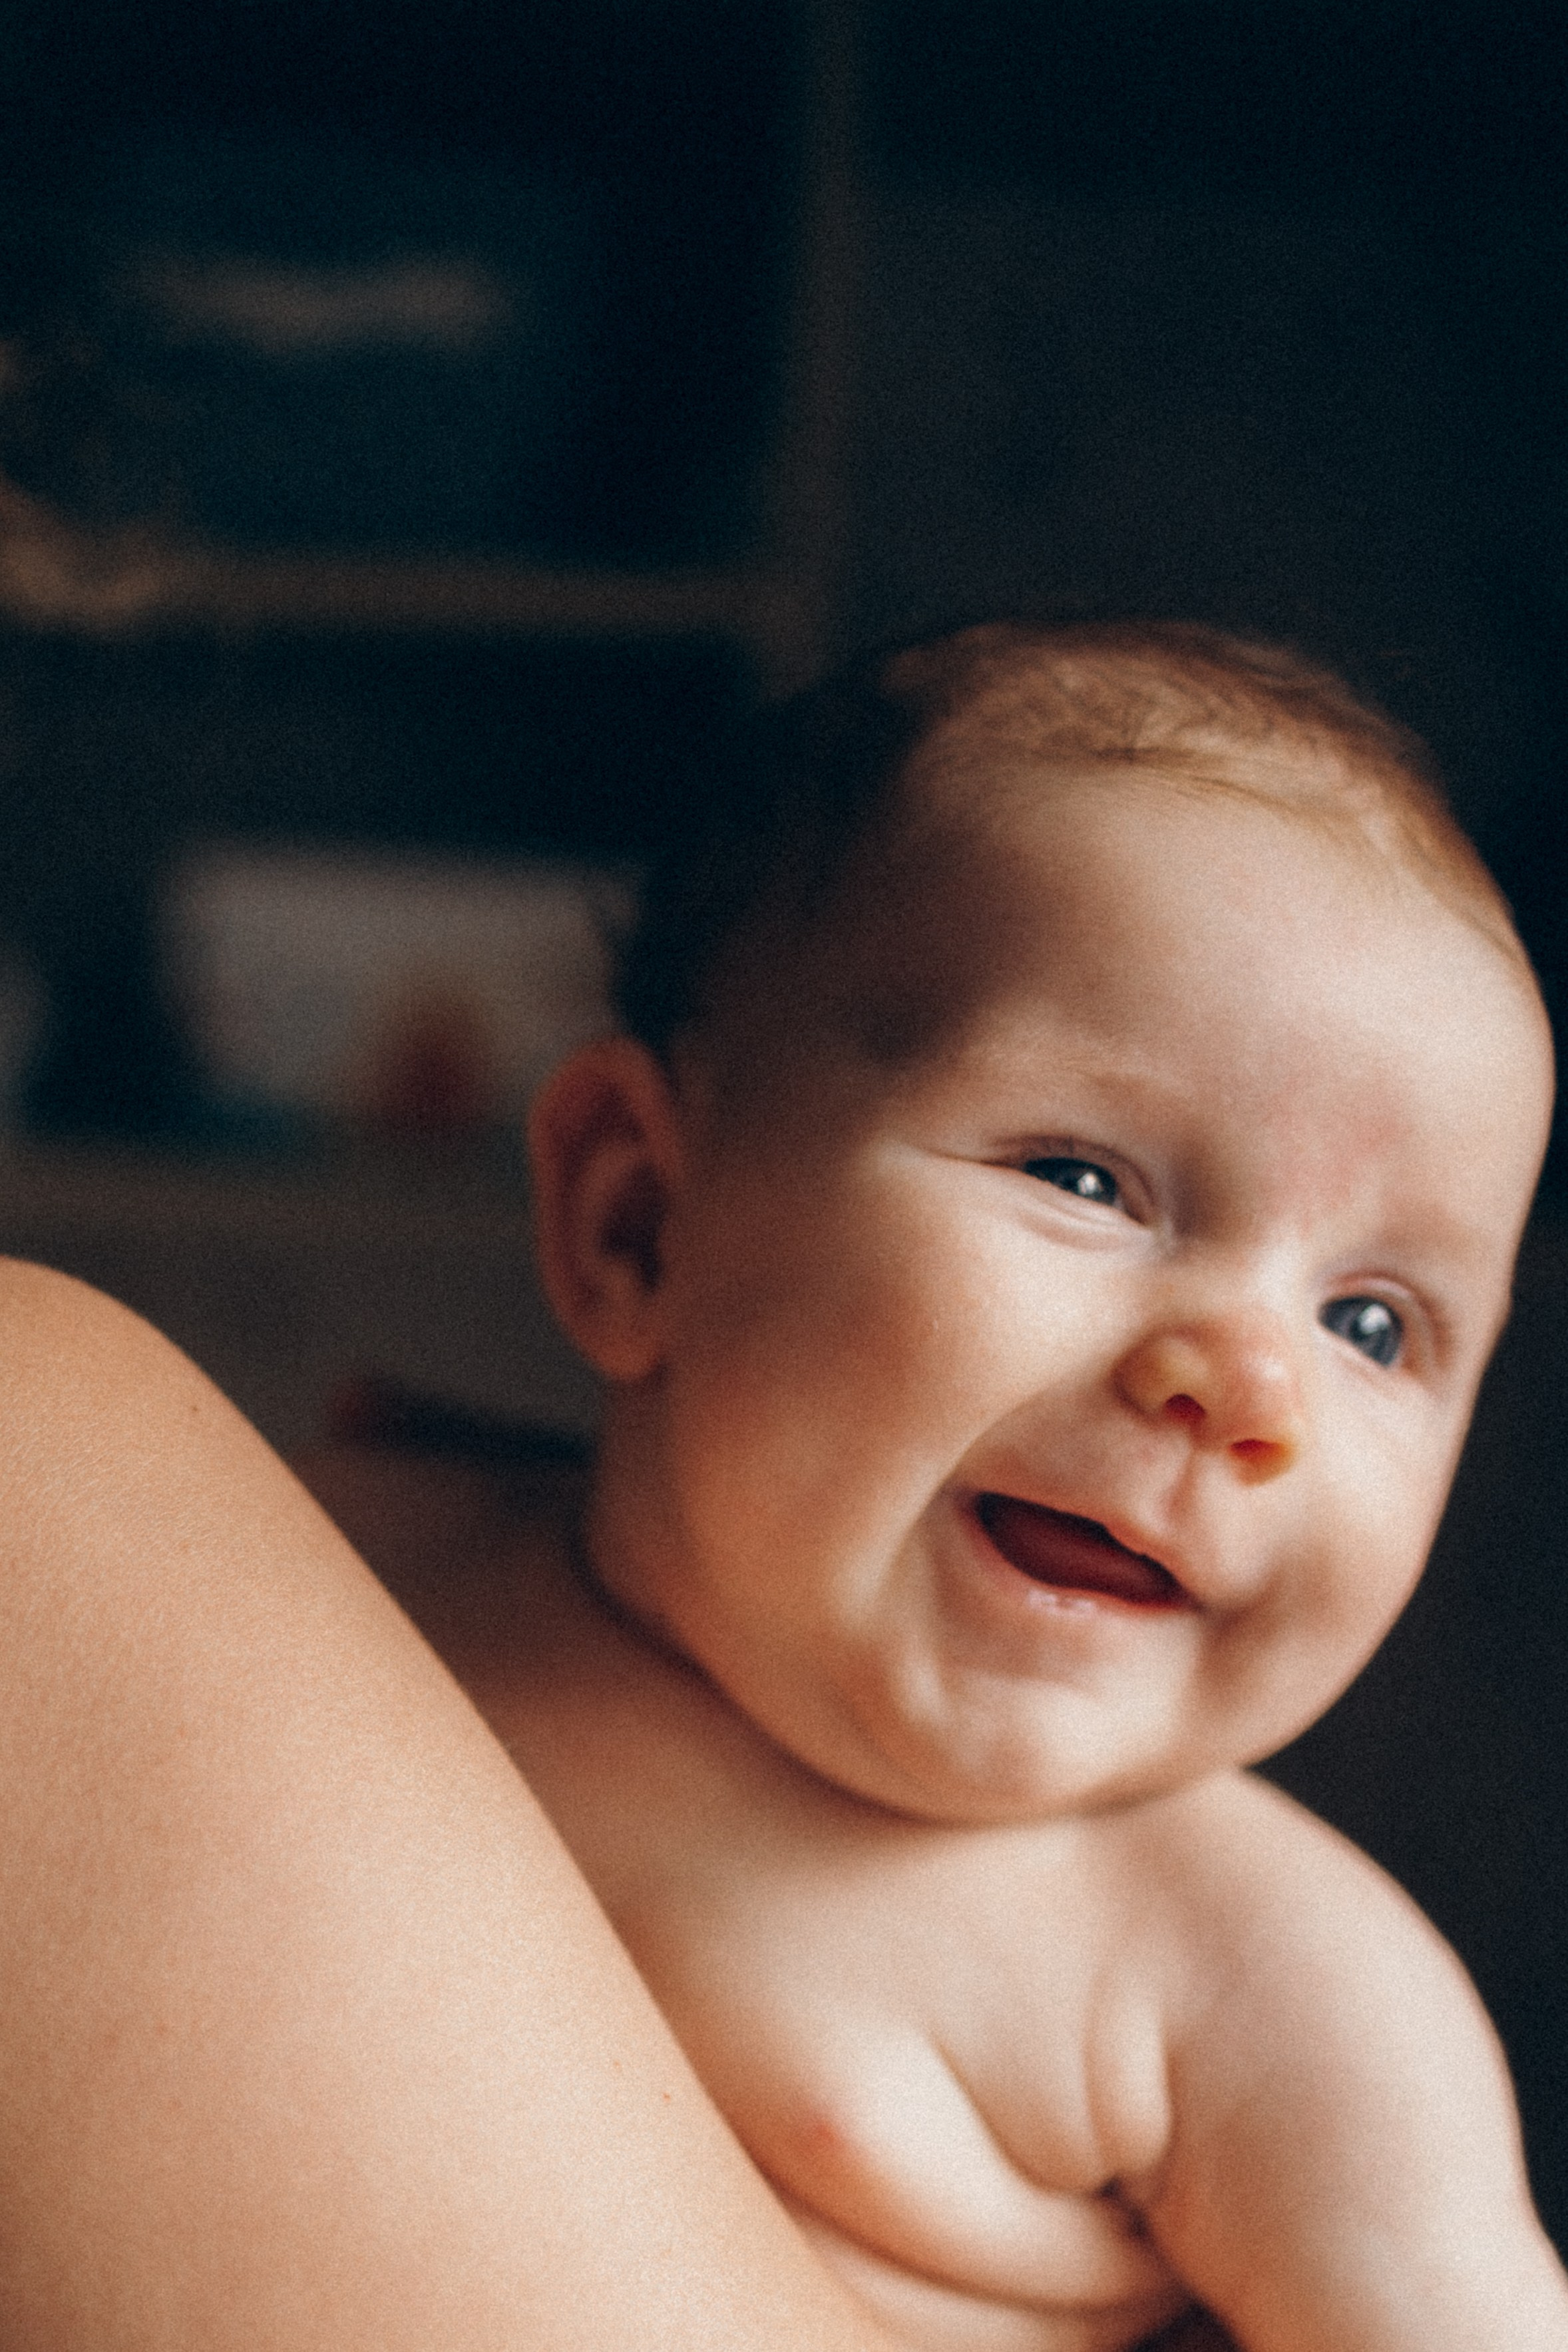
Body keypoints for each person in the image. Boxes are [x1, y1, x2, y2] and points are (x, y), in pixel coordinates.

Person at [301, 621, 1568, 2350]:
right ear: (637, 1221)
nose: (1246, 1384)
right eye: (1086, 1177)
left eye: (1371, 1321)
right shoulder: (339, 1563)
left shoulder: (1266, 1985)